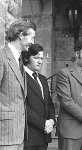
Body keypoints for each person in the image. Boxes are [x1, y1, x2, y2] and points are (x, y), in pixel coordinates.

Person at [0, 19, 36, 150]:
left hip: (19, 135)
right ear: (21, 35)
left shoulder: (19, 59)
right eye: (32, 37)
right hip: (4, 135)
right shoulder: (2, 57)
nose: (33, 42)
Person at [21, 44, 55, 150]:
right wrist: (43, 123)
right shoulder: (20, 77)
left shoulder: (43, 79)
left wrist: (52, 121)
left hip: (44, 137)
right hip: (29, 137)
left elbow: (49, 103)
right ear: (26, 58)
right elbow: (23, 106)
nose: (40, 61)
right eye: (36, 58)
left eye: (41, 58)